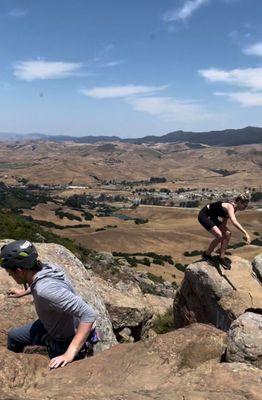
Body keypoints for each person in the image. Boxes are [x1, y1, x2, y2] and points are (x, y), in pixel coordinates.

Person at [0, 239, 98, 369]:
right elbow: (42, 285)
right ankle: (13, 365)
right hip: (53, 323)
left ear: (19, 271)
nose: (10, 275)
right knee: (14, 337)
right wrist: (24, 292)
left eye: (10, 273)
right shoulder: (46, 268)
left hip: (66, 338)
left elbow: (89, 314)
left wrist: (69, 354)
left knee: (55, 373)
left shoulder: (45, 291)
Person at [198, 192, 251, 269]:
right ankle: (206, 255)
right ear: (239, 202)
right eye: (245, 205)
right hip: (204, 215)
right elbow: (234, 221)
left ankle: (221, 258)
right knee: (219, 235)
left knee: (228, 234)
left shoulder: (234, 208)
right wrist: (246, 233)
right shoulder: (230, 207)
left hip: (212, 217)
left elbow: (224, 220)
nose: (245, 207)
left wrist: (225, 233)